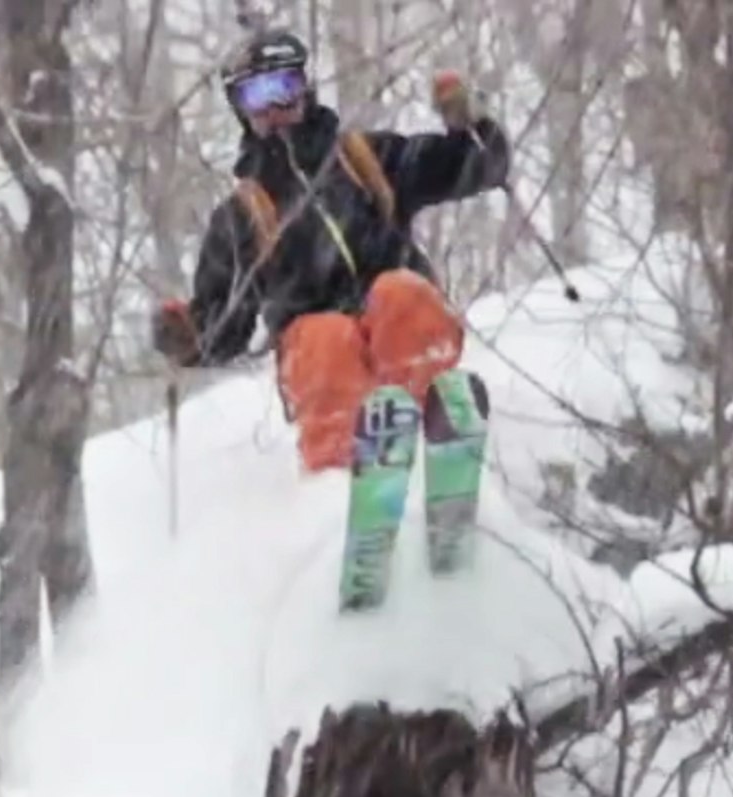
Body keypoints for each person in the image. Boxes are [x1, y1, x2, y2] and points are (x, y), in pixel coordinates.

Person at [150, 29, 510, 472]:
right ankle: (346, 482)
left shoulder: (368, 158)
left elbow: (475, 168)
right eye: (257, 96)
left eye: (283, 87)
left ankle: (437, 425)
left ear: (306, 87)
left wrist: (471, 125)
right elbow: (225, 324)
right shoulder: (241, 216)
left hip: (398, 328)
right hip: (318, 358)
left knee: (401, 293)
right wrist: (187, 335)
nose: (275, 108)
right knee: (324, 339)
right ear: (241, 110)